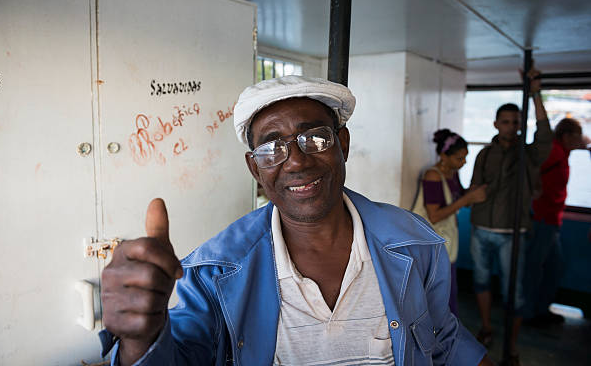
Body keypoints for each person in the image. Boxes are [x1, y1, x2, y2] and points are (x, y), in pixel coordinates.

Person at [99, 76, 492, 365]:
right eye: (271, 148)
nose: (298, 161)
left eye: (315, 138)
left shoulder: (416, 245)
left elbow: (442, 339)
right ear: (255, 169)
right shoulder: (211, 272)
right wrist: (141, 340)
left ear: (344, 144)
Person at [469, 68, 551, 365]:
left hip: (512, 232)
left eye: (516, 122)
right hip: (481, 228)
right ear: (496, 124)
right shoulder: (484, 155)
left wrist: (536, 93)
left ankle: (512, 346)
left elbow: (545, 136)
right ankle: (487, 327)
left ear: (520, 125)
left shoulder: (528, 154)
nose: (511, 126)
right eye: (505, 121)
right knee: (480, 281)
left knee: (513, 290)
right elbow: (474, 190)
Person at [524, 117, 590, 326]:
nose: (580, 140)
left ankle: (540, 309)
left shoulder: (562, 152)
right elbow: (531, 168)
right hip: (542, 219)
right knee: (535, 269)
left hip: (551, 220)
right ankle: (527, 314)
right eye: (577, 136)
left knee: (554, 267)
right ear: (566, 136)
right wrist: (534, 193)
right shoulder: (554, 152)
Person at [414, 129, 487, 317]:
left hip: (448, 241)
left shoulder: (451, 173)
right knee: (440, 295)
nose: (463, 163)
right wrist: (467, 199)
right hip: (436, 245)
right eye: (459, 158)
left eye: (465, 158)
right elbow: (434, 216)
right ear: (443, 156)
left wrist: (470, 194)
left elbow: (457, 197)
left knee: (449, 292)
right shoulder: (433, 176)